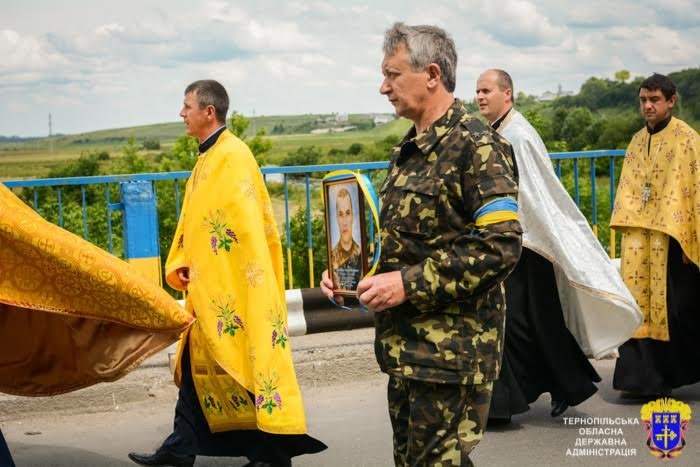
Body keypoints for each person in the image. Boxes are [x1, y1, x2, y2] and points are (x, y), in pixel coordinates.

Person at [322, 24, 522, 466]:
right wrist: (352, 274)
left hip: (452, 352)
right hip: (407, 349)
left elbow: (500, 247)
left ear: (431, 73)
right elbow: (406, 247)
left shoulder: (478, 145)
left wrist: (407, 285)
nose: (383, 88)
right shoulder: (409, 149)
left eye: (392, 75)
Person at [128, 80, 325, 467]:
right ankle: (181, 448)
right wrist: (183, 263)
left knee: (244, 364)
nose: (181, 114)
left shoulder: (234, 157)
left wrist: (224, 281)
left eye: (186, 107)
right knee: (194, 368)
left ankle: (270, 454)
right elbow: (198, 222)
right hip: (209, 287)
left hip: (235, 291)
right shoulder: (208, 156)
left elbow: (245, 233)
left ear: (209, 112)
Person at [475, 70, 641, 421]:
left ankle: (506, 405)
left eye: (487, 90)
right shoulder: (500, 131)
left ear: (508, 94)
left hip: (529, 245)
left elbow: (533, 195)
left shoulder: (517, 135)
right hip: (513, 243)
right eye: (477, 91)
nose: (480, 97)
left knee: (517, 320)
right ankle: (567, 385)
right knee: (532, 321)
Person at [611, 73, 700, 398]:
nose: (647, 106)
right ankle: (640, 380)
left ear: (671, 101)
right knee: (638, 306)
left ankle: (665, 377)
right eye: (643, 100)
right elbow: (630, 188)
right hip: (639, 239)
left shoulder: (687, 139)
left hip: (673, 239)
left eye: (654, 100)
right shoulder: (637, 140)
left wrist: (692, 239)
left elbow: (695, 193)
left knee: (677, 309)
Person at [330, 187, 362, 291]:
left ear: (352, 216)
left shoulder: (361, 253)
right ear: (336, 218)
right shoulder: (332, 256)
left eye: (348, 213)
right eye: (340, 214)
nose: (344, 222)